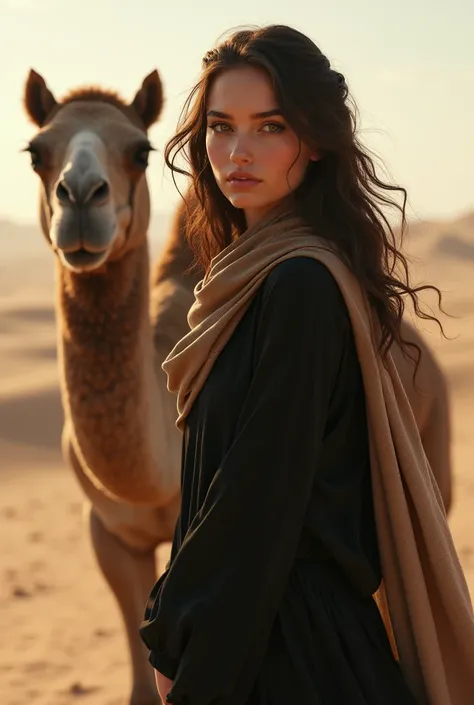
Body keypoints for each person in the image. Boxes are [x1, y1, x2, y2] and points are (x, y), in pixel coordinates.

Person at [140, 24, 474, 705]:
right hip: (250, 628)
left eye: (270, 127)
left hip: (290, 649)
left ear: (314, 141)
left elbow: (261, 493)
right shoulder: (245, 279)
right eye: (220, 126)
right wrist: (171, 623)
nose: (237, 151)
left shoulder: (301, 284)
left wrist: (185, 645)